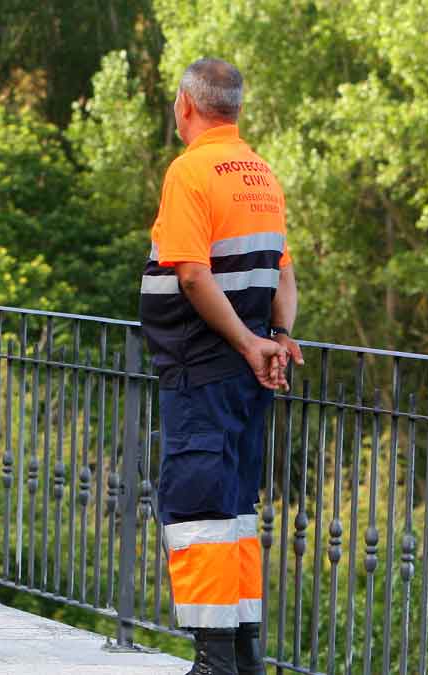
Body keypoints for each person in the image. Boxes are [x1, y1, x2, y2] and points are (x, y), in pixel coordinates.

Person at [139, 59, 301, 675]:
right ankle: (243, 655)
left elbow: (192, 274)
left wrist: (243, 341)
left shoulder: (191, 171)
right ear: (235, 108)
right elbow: (283, 274)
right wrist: (274, 338)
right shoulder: (260, 171)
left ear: (185, 105)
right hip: (246, 371)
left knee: (197, 508)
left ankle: (213, 663)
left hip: (201, 366)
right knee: (235, 509)